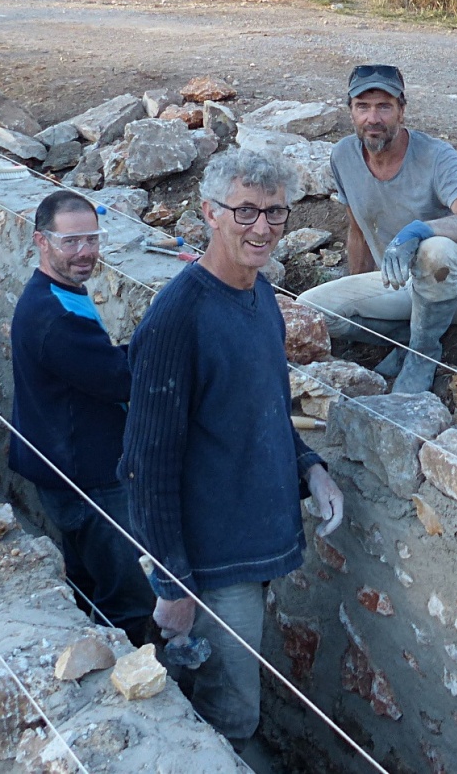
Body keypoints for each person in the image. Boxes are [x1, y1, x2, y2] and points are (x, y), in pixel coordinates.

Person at [120, 148, 344, 753]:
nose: (262, 228)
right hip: (212, 568)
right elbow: (147, 466)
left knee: (233, 700)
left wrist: (310, 469)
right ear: (209, 214)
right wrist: (173, 588)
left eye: (275, 213)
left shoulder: (260, 294)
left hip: (253, 548)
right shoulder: (178, 319)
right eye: (245, 212)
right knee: (230, 716)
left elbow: (263, 411)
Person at [296, 64, 457, 394]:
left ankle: (422, 354)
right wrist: (353, 287)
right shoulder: (343, 156)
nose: (372, 118)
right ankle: (406, 337)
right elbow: (358, 231)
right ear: (350, 112)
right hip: (399, 286)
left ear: (401, 111)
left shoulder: (436, 156)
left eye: (384, 107)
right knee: (309, 311)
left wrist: (420, 229)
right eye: (362, 106)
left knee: (436, 249)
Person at [9, 190, 155, 645]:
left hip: (66, 467)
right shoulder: (54, 316)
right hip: (86, 478)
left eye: (91, 238)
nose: (86, 252)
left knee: (88, 580)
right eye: (71, 242)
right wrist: (168, 347)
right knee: (128, 596)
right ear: (41, 241)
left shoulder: (58, 294)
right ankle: (130, 677)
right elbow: (118, 378)